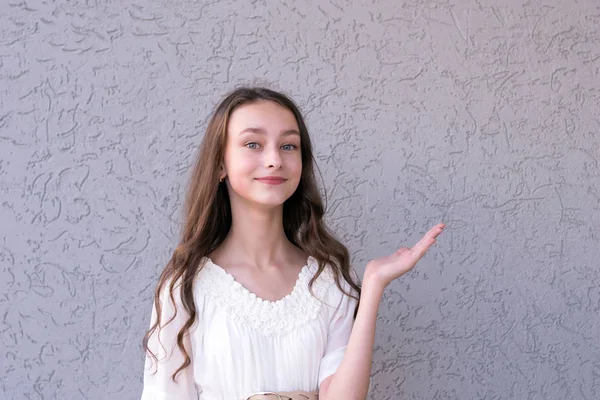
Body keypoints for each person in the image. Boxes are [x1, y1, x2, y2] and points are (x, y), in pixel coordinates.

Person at [140, 86, 445, 400]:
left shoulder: (329, 281)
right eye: (253, 144)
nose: (274, 160)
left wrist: (373, 285)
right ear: (220, 164)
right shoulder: (187, 284)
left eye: (288, 146)